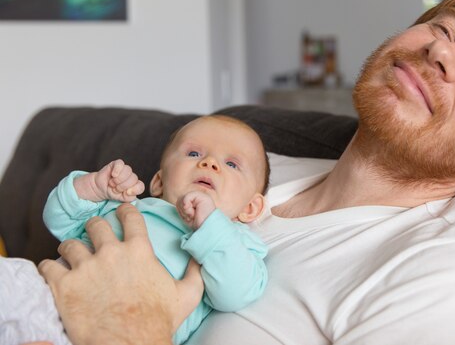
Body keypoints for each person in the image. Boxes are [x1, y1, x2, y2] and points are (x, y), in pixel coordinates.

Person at [38, 0, 455, 345]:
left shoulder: (448, 288)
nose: (442, 53)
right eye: (445, 28)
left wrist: (124, 330)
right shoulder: (251, 165)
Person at [3, 115, 271, 345]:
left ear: (250, 208)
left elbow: (234, 293)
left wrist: (211, 223)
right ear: (158, 182)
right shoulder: (129, 205)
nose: (210, 163)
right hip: (41, 289)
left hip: (105, 333)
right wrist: (93, 187)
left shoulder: (236, 243)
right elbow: (58, 217)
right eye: (194, 153)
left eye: (232, 164)